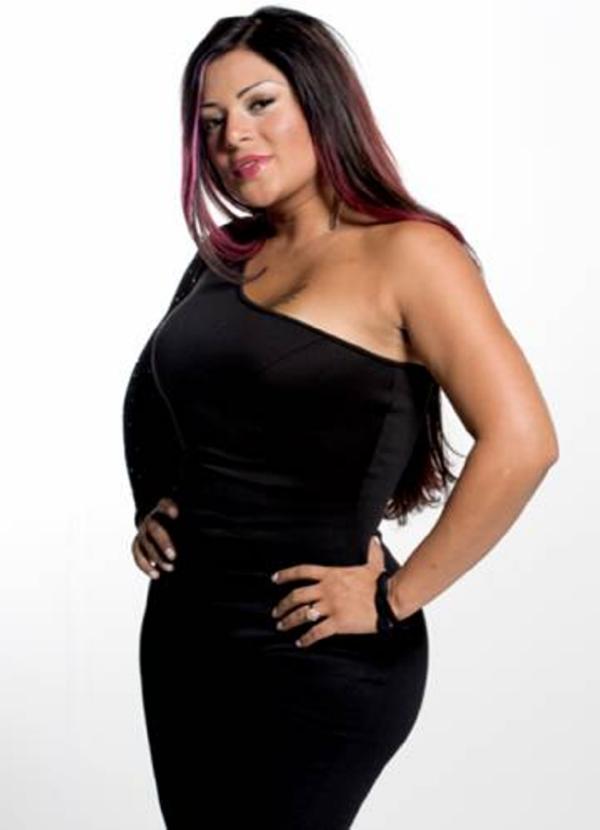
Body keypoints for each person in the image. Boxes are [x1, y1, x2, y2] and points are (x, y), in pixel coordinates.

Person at [122, 7, 559, 828]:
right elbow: (150, 391)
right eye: (211, 121)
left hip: (321, 655)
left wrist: (395, 596)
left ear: (320, 101)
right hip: (186, 640)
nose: (233, 136)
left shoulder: (410, 253)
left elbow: (525, 442)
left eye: (260, 103)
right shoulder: (225, 256)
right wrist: (150, 500)